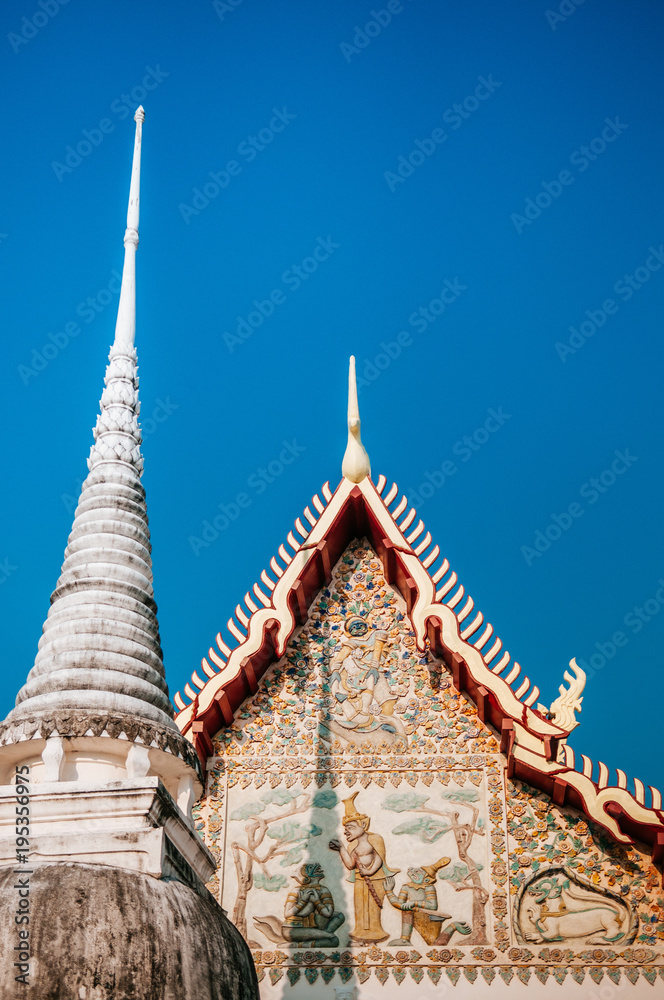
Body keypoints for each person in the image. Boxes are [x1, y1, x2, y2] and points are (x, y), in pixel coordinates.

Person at [329, 792, 399, 943]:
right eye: (346, 828)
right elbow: (350, 865)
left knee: (373, 907)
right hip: (361, 881)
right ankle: (360, 932)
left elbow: (380, 857)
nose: (347, 831)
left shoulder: (375, 839)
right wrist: (341, 848)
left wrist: (371, 870)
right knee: (360, 907)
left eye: (351, 827)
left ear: (363, 825)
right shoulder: (352, 845)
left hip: (376, 879)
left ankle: (376, 932)